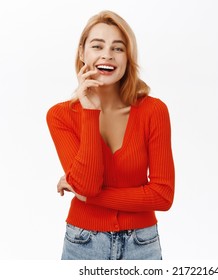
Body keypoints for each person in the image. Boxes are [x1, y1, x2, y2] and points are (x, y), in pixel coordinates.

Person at [46, 10, 175, 260]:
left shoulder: (153, 111)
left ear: (128, 57)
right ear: (82, 53)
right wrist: (90, 112)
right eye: (97, 46)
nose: (107, 54)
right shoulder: (60, 116)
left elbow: (162, 195)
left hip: (142, 243)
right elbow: (88, 183)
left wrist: (86, 197)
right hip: (83, 243)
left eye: (118, 48)